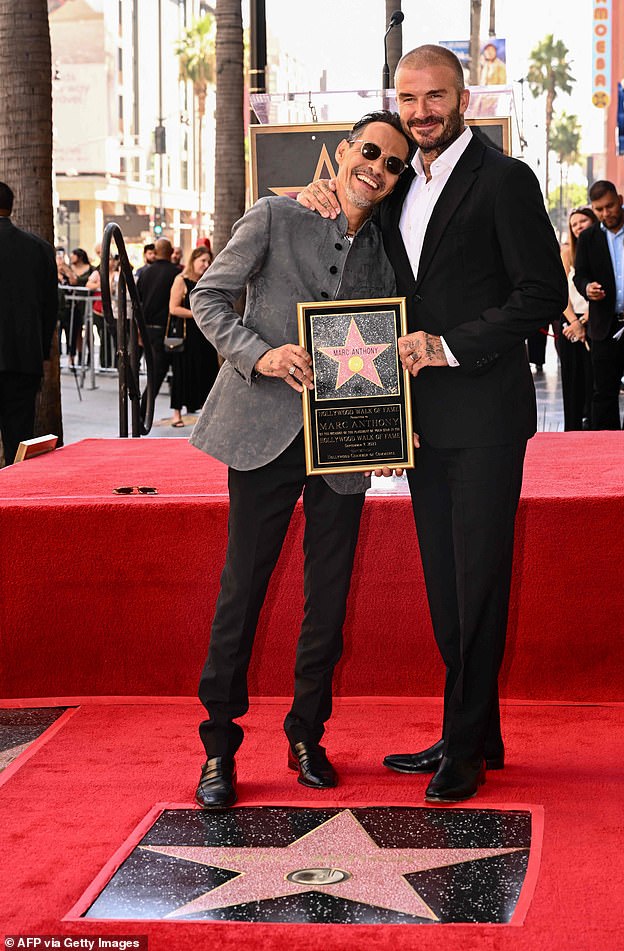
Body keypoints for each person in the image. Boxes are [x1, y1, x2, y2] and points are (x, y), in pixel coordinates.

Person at [300, 45, 567, 803]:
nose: (421, 111)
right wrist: (319, 204)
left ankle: (467, 747)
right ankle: (473, 729)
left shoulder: (505, 180)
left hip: (485, 414)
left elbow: (541, 293)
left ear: (464, 98)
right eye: (408, 98)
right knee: (446, 589)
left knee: (478, 581)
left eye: (435, 97)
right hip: (419, 424)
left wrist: (449, 348)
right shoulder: (395, 191)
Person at [189, 110, 411, 809]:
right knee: (241, 589)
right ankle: (219, 748)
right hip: (261, 431)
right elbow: (208, 297)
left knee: (329, 595)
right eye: (369, 151)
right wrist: (262, 353)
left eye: (393, 163)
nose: (377, 166)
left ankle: (307, 733)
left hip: (342, 442)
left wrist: (391, 431)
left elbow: (392, 338)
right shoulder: (275, 217)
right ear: (343, 152)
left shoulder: (389, 246)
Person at [0, 182, 58, 466]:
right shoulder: (39, 249)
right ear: (11, 207)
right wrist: (42, 350)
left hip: (23, 356)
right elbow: (51, 307)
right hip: (24, 358)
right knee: (18, 438)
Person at [573, 180, 624, 429]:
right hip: (603, 326)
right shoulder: (588, 237)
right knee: (604, 392)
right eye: (599, 209)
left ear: (619, 200)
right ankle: (604, 449)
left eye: (609, 206)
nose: (605, 214)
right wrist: (588, 288)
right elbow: (580, 275)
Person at [167, 246, 218, 427]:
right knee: (183, 373)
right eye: (202, 260)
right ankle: (176, 414)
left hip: (206, 335)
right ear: (193, 261)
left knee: (207, 372)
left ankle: (205, 412)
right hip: (187, 335)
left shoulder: (208, 281)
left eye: (208, 261)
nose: (206, 264)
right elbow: (173, 308)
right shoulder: (181, 280)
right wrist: (196, 315)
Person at [559, 207, 597, 430]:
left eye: (583, 221)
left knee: (594, 383)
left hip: (597, 321)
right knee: (572, 385)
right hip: (571, 324)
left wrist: (585, 322)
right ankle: (571, 431)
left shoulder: (601, 249)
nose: (579, 226)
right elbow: (560, 291)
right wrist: (575, 322)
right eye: (574, 224)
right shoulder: (567, 253)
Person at [136, 237, 182, 414]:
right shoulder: (176, 273)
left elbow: (137, 303)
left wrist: (139, 330)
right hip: (168, 330)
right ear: (171, 252)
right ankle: (143, 412)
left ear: (155, 252)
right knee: (160, 372)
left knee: (155, 370)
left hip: (148, 328)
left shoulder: (145, 273)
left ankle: (143, 412)